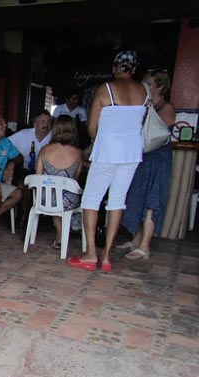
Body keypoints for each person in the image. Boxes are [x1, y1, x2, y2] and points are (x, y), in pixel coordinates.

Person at [67, 50, 148, 272]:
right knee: (117, 201)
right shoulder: (143, 91)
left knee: (91, 200)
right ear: (134, 68)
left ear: (114, 67)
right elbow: (139, 123)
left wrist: (97, 140)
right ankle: (106, 257)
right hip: (131, 153)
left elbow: (92, 126)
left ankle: (91, 253)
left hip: (107, 152)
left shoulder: (106, 89)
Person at [119, 70, 175, 260]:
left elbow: (157, 132)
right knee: (139, 196)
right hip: (142, 157)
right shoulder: (145, 104)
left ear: (160, 87)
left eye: (149, 84)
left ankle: (145, 246)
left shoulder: (166, 107)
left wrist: (146, 110)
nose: (146, 87)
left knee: (153, 199)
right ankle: (136, 238)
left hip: (158, 159)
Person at [35, 115, 84, 249]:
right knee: (65, 197)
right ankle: (64, 233)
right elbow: (76, 178)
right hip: (68, 200)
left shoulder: (45, 150)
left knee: (53, 197)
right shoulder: (78, 153)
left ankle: (60, 235)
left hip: (45, 199)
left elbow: (38, 176)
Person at [0, 114, 24, 235]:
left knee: (18, 193)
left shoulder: (5, 142)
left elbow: (20, 158)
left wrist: (11, 163)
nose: (5, 125)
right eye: (1, 122)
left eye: (4, 122)